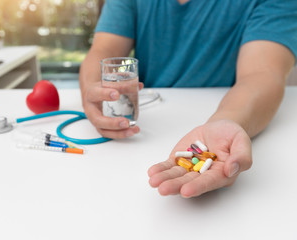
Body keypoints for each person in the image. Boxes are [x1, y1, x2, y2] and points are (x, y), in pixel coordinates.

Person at [78, 0, 297, 198]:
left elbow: (262, 73)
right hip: (142, 137)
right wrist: (95, 92)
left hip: (217, 114)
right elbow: (103, 51)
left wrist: (228, 120)